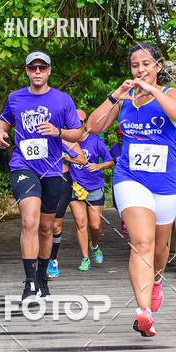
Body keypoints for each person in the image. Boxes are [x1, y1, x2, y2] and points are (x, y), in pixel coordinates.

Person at [87, 43, 176, 337]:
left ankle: (156, 281)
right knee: (142, 241)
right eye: (135, 65)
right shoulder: (124, 100)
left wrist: (153, 90)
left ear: (157, 66)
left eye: (146, 64)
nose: (140, 69)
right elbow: (92, 127)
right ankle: (144, 312)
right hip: (130, 177)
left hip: (167, 182)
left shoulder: (172, 94)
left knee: (158, 248)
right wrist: (114, 97)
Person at [0, 50, 82, 301]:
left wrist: (58, 132)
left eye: (42, 67)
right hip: (23, 166)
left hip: (52, 169)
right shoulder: (15, 97)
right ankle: (30, 283)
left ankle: (42, 278)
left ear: (49, 71)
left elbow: (77, 133)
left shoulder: (63, 100)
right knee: (29, 221)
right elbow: (4, 119)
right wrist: (1, 133)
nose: (37, 72)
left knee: (45, 228)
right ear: (26, 71)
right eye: (32, 68)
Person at [68, 109, 114, 271]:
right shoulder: (68, 141)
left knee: (95, 226)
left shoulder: (95, 140)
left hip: (94, 186)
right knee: (81, 224)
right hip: (75, 187)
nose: (76, 125)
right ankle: (85, 258)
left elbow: (111, 162)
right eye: (73, 123)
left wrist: (98, 166)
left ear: (85, 123)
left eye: (79, 122)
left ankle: (94, 245)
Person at [46, 139, 87, 279]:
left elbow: (82, 160)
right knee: (41, 224)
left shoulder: (65, 139)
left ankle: (53, 259)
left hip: (62, 178)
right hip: (41, 178)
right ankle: (39, 259)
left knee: (55, 225)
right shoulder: (34, 135)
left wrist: (63, 155)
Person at [109, 131, 127, 235]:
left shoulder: (130, 146)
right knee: (116, 202)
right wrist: (113, 167)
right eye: (119, 136)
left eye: (122, 136)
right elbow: (110, 161)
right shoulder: (114, 148)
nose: (120, 138)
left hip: (129, 178)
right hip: (117, 178)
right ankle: (124, 218)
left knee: (127, 200)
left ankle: (126, 222)